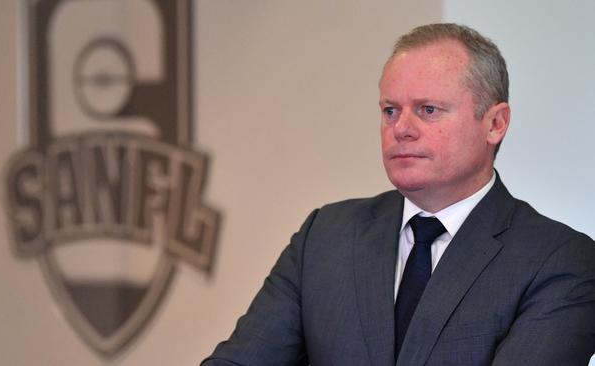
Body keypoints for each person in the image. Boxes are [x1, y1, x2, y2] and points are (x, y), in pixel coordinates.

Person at [202, 23, 595, 366]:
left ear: (495, 123)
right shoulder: (325, 236)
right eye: (390, 110)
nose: (401, 129)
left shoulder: (559, 262)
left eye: (428, 109)